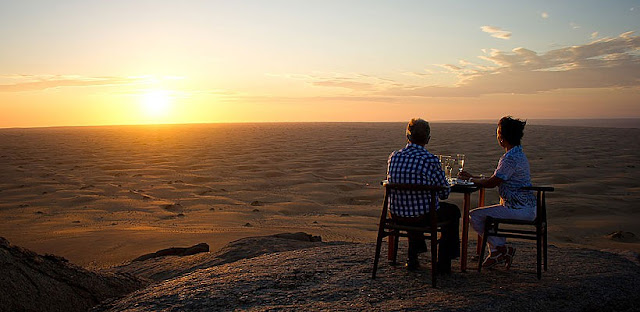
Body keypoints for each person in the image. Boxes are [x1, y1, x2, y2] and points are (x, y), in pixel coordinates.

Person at [459, 116, 536, 269]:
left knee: (474, 216)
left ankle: (500, 250)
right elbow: (496, 179)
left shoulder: (510, 158)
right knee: (485, 215)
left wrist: (471, 180)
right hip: (525, 207)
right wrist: (473, 177)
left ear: (501, 136)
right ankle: (497, 251)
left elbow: (492, 183)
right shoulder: (518, 154)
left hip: (517, 210)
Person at [386, 118, 461, 273]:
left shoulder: (394, 157)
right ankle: (444, 262)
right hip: (421, 217)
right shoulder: (430, 160)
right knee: (453, 211)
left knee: (414, 206)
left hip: (396, 214)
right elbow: (444, 193)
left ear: (408, 136)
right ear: (428, 139)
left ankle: (412, 257)